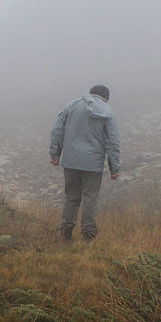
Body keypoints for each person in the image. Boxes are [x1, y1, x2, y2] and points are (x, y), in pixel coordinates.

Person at [49, 84, 120, 241]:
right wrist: (114, 167)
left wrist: (55, 153)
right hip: (93, 165)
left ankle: (66, 232)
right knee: (90, 198)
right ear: (106, 98)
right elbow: (112, 142)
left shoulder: (72, 105)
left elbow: (57, 130)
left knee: (71, 197)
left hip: (71, 161)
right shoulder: (107, 111)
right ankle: (88, 236)